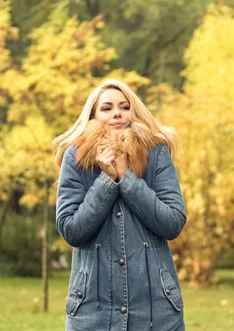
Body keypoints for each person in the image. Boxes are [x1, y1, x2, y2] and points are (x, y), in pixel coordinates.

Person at [53, 79, 187, 331]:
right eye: (107, 108)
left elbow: (173, 223)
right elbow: (71, 230)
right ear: (93, 115)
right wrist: (106, 180)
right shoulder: (76, 157)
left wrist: (127, 178)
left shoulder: (156, 153)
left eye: (124, 107)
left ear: (133, 112)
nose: (117, 113)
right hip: (92, 314)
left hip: (156, 313)